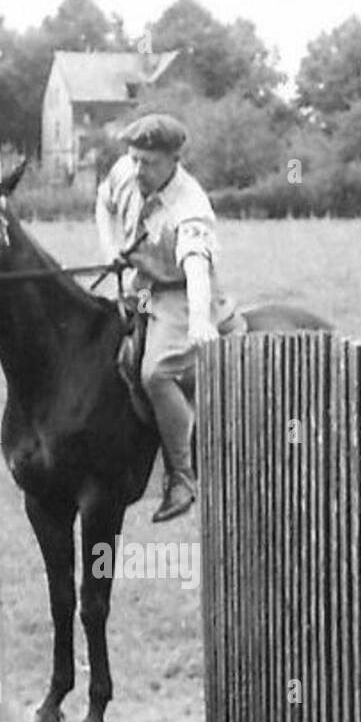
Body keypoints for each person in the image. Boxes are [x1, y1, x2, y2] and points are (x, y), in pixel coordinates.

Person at [95, 113, 233, 522]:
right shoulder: (125, 171)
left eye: (149, 162)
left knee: (156, 372)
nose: (138, 168)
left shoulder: (190, 207)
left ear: (174, 160)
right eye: (135, 158)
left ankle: (182, 477)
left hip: (178, 293)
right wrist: (111, 248)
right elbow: (103, 205)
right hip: (140, 283)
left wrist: (199, 323)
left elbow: (194, 266)